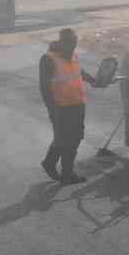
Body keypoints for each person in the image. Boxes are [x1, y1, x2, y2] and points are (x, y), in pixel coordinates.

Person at [39, 28, 98, 184]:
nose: (72, 46)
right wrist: (52, 110)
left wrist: (94, 80)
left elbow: (79, 72)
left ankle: (56, 167)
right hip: (61, 107)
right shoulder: (48, 59)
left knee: (75, 138)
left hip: (77, 104)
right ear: (60, 42)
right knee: (64, 140)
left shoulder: (73, 55)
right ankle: (63, 171)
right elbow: (44, 88)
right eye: (69, 43)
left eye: (74, 42)